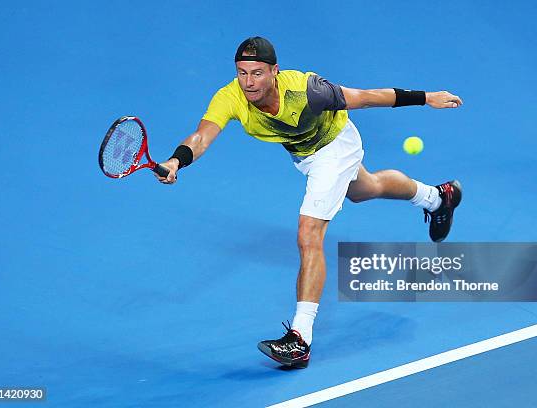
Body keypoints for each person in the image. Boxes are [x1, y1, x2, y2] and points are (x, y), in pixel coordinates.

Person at [156, 37, 463, 369]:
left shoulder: (308, 90)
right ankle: (438, 197)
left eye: (257, 73)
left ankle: (300, 339)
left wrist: (426, 98)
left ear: (274, 71)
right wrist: (177, 161)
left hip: (336, 146)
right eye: (242, 73)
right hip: (307, 157)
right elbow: (202, 136)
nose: (249, 82)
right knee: (365, 188)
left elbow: (367, 97)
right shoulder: (230, 97)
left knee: (309, 233)